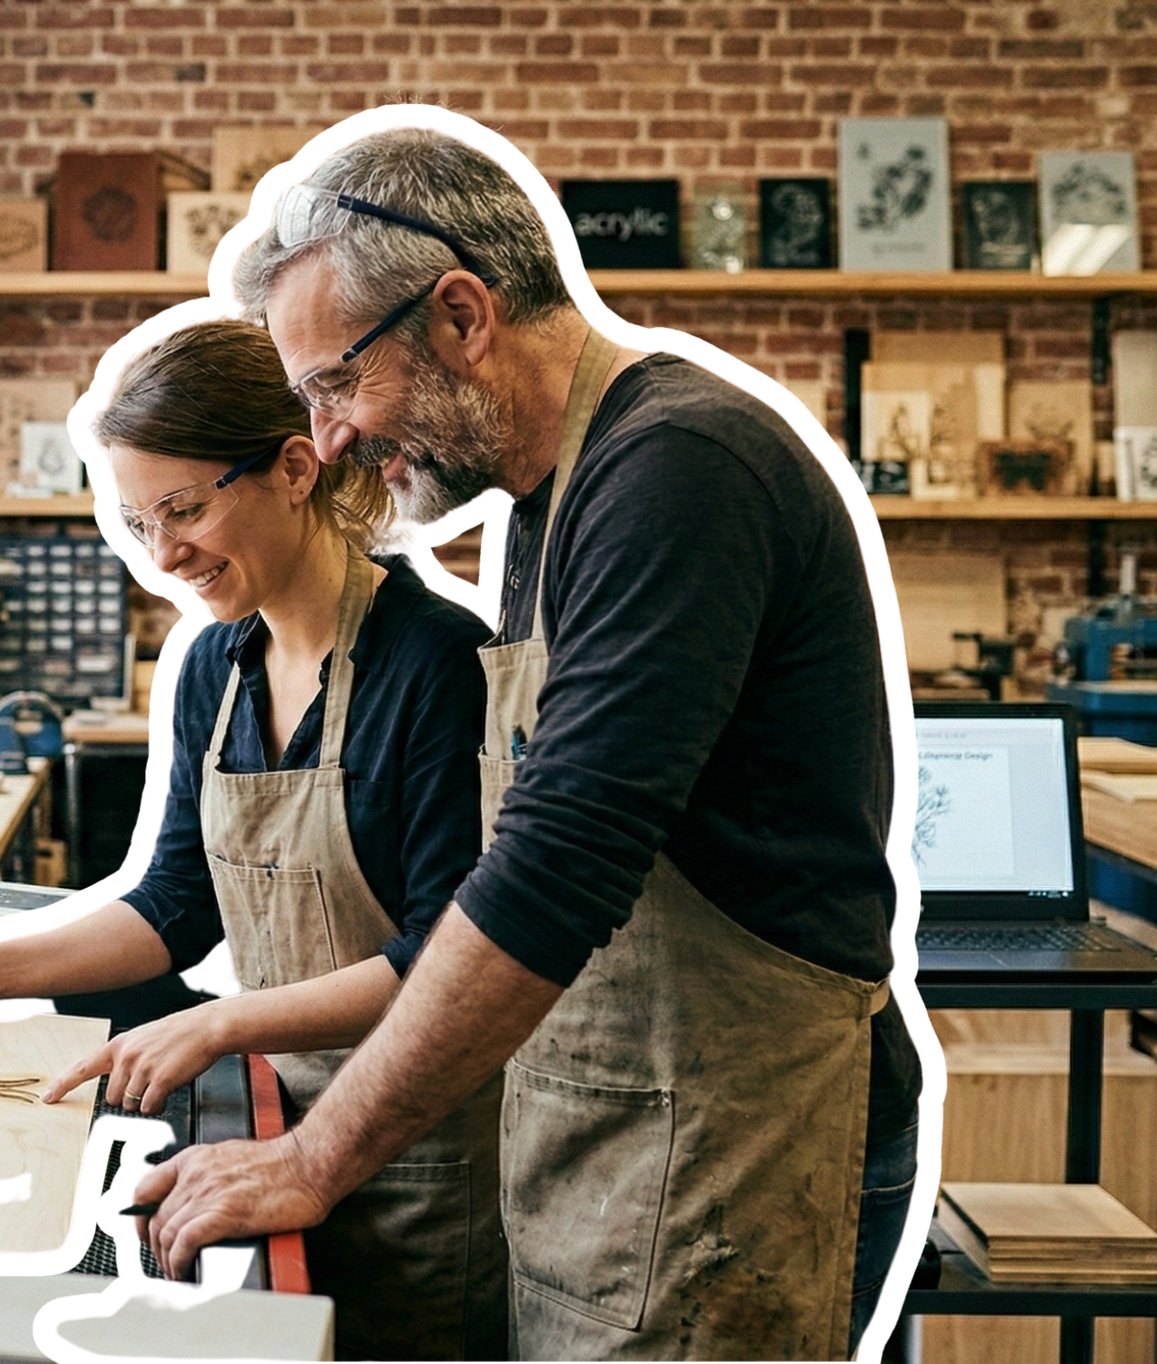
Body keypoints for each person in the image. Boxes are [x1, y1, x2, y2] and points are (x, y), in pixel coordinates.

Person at [134, 126, 919, 1361]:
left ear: (458, 316)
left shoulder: (677, 469)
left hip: (731, 1137)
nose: (328, 438)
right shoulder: (550, 507)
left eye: (336, 384)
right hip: (608, 1132)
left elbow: (557, 863)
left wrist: (315, 1155)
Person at [0, 318, 508, 1361]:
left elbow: (450, 960)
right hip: (271, 1127)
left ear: (294, 466)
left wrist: (217, 1025)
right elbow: (174, 904)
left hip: (419, 1153)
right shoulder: (216, 665)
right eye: (137, 521)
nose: (164, 554)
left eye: (182, 508)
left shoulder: (434, 663)